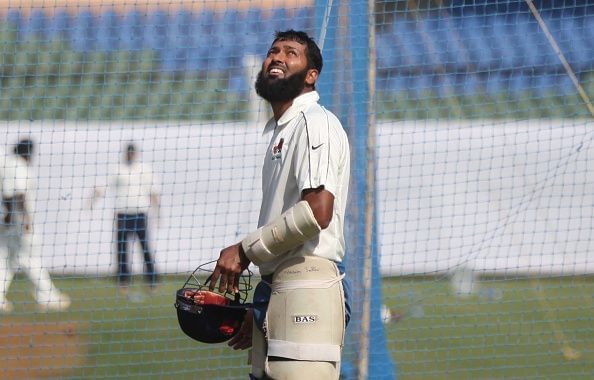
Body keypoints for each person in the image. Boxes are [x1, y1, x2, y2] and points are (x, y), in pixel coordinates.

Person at [208, 30, 351, 380]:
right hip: (280, 287)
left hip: (308, 284)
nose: (277, 57)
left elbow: (318, 211)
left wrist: (245, 250)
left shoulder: (314, 122)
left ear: (311, 75)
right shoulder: (282, 129)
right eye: (273, 51)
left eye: (291, 53)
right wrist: (263, 306)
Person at [0, 138, 71, 312]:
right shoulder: (19, 167)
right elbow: (18, 194)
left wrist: (8, 218)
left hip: (8, 222)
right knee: (30, 259)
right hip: (19, 222)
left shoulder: (8, 165)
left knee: (6, 260)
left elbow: (8, 195)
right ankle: (47, 296)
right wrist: (24, 219)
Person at [90, 142, 160, 295]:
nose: (130, 155)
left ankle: (152, 281)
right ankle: (123, 281)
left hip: (139, 214)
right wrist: (93, 198)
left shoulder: (144, 169)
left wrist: (158, 213)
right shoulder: (118, 170)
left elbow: (153, 191)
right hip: (123, 214)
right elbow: (103, 186)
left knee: (145, 248)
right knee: (122, 250)